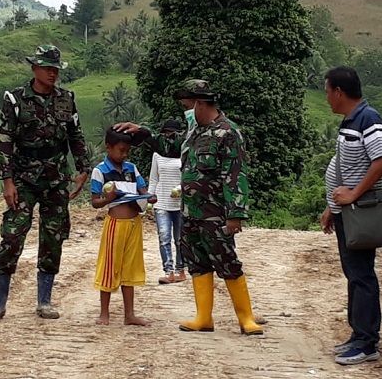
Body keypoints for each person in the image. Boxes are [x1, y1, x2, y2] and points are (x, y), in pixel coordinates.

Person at [114, 79, 263, 335]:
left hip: (216, 213)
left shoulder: (228, 133)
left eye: (187, 105)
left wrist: (236, 214)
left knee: (227, 262)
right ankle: (203, 317)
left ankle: (246, 318)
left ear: (201, 103)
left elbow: (235, 175)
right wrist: (143, 133)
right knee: (197, 262)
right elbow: (170, 147)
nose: (186, 111)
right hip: (190, 211)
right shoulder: (195, 133)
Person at [0, 45, 90, 320]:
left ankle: (44, 301)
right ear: (34, 69)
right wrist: (7, 181)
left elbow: (75, 136)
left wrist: (82, 169)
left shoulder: (67, 99)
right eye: (47, 68)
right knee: (13, 235)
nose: (52, 73)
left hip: (56, 177)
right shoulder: (16, 99)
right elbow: (5, 141)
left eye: (55, 69)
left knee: (53, 237)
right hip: (23, 177)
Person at [320, 67, 382, 366]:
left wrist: (352, 194)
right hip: (345, 213)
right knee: (354, 274)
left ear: (338, 91)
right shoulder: (350, 121)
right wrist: (331, 207)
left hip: (359, 213)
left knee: (362, 276)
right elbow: (343, 168)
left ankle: (367, 342)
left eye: (327, 90)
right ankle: (358, 335)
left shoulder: (368, 119)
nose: (326, 97)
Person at [91, 128, 156, 326]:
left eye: (127, 150)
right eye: (121, 150)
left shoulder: (131, 168)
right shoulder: (100, 171)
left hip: (134, 222)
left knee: (130, 267)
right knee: (110, 266)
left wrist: (148, 197)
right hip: (115, 224)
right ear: (108, 148)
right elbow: (95, 201)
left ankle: (130, 314)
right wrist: (108, 198)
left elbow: (142, 189)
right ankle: (104, 313)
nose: (124, 154)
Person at [149, 120, 186, 284]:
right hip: (162, 202)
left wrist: (180, 188)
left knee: (180, 238)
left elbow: (189, 176)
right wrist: (150, 197)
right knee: (164, 237)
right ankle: (168, 271)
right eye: (165, 133)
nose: (168, 137)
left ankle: (181, 270)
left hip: (179, 202)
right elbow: (154, 177)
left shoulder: (184, 152)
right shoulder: (158, 154)